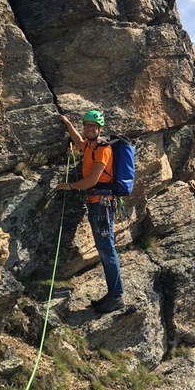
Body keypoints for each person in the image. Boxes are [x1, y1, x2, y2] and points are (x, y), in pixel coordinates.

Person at [57, 109, 125, 314]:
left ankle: (116, 296)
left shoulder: (103, 149)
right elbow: (78, 142)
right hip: (97, 203)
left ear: (100, 129)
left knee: (106, 248)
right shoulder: (88, 145)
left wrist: (69, 186)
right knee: (105, 247)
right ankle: (113, 293)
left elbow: (92, 181)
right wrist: (67, 123)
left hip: (103, 204)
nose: (89, 129)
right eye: (87, 125)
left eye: (93, 126)